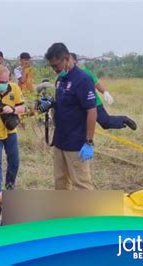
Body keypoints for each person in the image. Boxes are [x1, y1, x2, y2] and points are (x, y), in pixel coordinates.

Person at [43, 43, 97, 190]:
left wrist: (89, 141)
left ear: (66, 59)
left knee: (81, 184)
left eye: (56, 66)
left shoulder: (82, 80)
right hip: (60, 140)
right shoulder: (61, 79)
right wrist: (49, 103)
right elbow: (62, 103)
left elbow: (92, 111)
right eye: (52, 67)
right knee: (60, 182)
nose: (55, 70)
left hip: (76, 143)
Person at [70, 53, 137, 130]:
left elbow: (97, 83)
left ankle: (124, 119)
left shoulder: (86, 72)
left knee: (105, 122)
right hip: (78, 105)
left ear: (75, 61)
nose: (66, 62)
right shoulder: (64, 75)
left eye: (69, 59)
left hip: (94, 103)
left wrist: (105, 92)